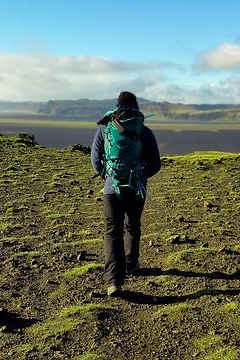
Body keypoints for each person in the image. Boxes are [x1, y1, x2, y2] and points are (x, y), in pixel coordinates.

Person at [90, 91, 161, 296]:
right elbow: (156, 164)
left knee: (112, 231)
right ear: (136, 106)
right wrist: (140, 176)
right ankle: (131, 263)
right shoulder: (144, 131)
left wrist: (108, 175)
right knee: (133, 225)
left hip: (111, 189)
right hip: (137, 188)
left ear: (117, 106)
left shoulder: (105, 129)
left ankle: (113, 281)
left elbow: (95, 161)